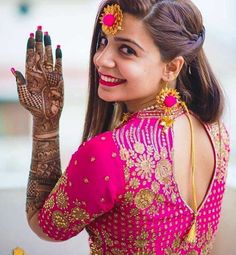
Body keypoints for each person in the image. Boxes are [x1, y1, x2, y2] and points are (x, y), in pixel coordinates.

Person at [11, 0, 230, 254]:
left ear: (171, 67)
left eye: (126, 50)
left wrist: (45, 124)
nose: (101, 59)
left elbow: (46, 225)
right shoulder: (214, 131)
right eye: (103, 42)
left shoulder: (108, 154)